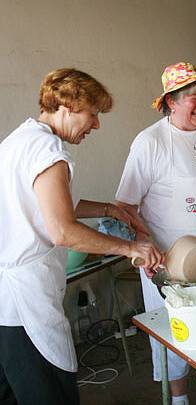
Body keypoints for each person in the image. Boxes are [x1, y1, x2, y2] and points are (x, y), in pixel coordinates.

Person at [0, 68, 163, 405]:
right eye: (94, 114)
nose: (97, 125)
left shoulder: (20, 140)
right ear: (69, 105)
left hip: (6, 300)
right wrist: (131, 248)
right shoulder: (49, 151)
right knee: (48, 393)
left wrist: (109, 208)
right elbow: (62, 230)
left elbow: (53, 205)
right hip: (26, 301)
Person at [115, 61, 196, 405]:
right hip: (168, 263)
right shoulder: (150, 143)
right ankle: (177, 397)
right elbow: (125, 205)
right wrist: (143, 245)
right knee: (178, 331)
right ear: (171, 102)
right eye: (193, 97)